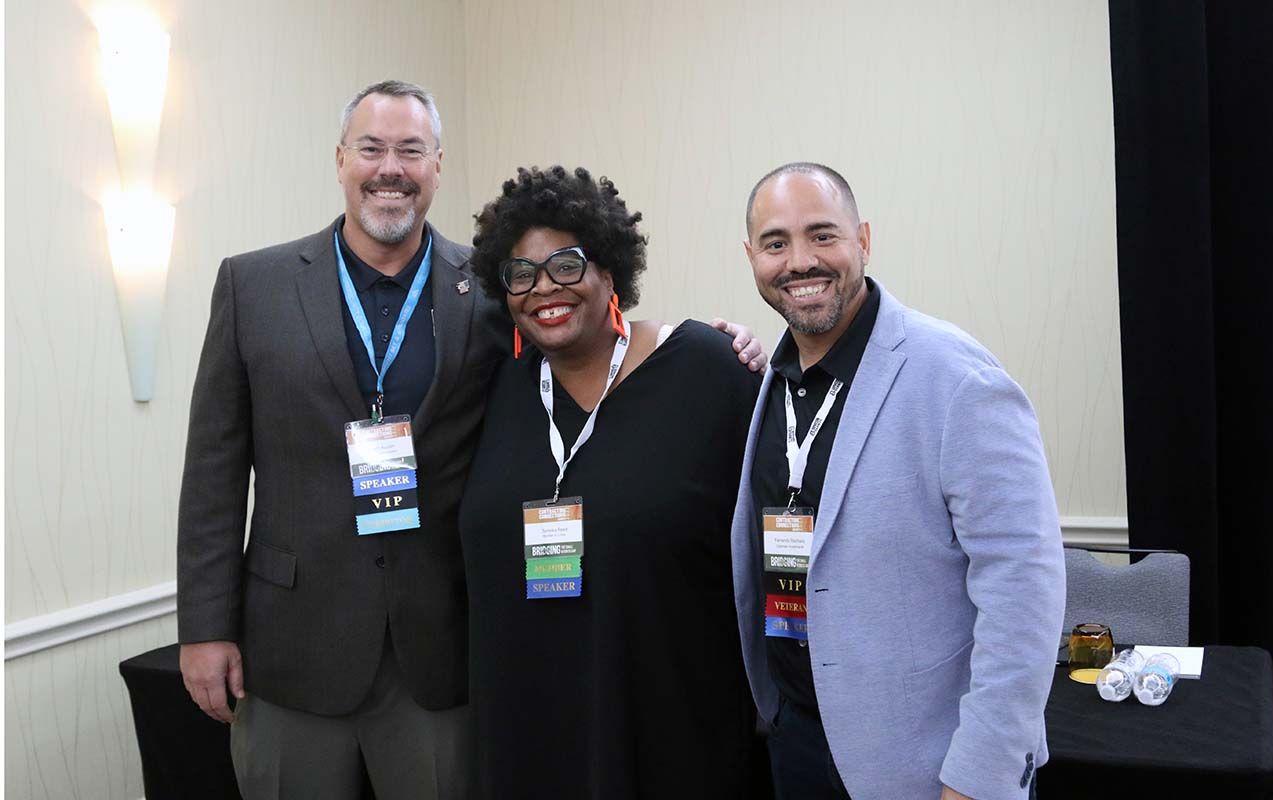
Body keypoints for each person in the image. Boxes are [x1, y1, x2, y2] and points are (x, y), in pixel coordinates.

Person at [176, 81, 764, 799]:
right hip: (294, 644)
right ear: (340, 160)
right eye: (372, 148)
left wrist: (727, 342)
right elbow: (213, 468)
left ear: (436, 167)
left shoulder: (490, 293)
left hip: (441, 651)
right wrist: (204, 627)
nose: (390, 166)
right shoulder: (253, 285)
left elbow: (588, 339)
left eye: (410, 150)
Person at [731, 162, 1066, 800]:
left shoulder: (955, 377)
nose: (800, 261)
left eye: (822, 235)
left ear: (863, 239)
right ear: (752, 257)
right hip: (794, 739)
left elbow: (1025, 586)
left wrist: (981, 775)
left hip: (923, 761)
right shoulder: (764, 382)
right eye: (776, 243)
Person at [460, 166, 762, 799]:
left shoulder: (705, 368)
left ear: (609, 270)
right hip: (525, 733)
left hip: (668, 728)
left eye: (567, 265)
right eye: (521, 273)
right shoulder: (496, 387)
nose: (545, 288)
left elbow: (775, 515)